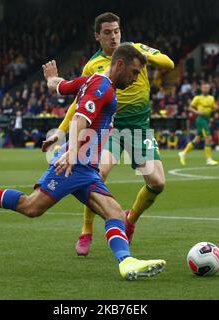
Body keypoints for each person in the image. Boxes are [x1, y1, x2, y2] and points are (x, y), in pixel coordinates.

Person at [0, 44, 166, 281]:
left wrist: (52, 79)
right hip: (74, 165)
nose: (136, 78)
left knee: (115, 214)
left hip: (86, 168)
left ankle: (126, 263)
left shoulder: (91, 80)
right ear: (119, 64)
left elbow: (61, 87)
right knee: (31, 207)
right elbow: (79, 118)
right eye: (135, 72)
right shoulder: (102, 87)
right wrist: (73, 151)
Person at [42, 12, 174, 256]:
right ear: (97, 36)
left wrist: (142, 57)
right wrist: (60, 133)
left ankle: (130, 220)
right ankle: (86, 230)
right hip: (108, 128)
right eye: (107, 32)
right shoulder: (93, 65)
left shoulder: (134, 50)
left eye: (116, 31)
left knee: (157, 182)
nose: (113, 36)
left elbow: (168, 63)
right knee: (96, 173)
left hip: (139, 128)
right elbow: (78, 104)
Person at [178, 82, 219, 166]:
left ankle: (183, 153)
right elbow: (190, 107)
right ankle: (209, 159)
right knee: (208, 138)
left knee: (197, 139)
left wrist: (215, 109)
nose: (206, 89)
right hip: (201, 120)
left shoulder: (211, 98)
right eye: (204, 87)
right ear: (201, 88)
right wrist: (197, 112)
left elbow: (214, 108)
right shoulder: (198, 98)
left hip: (206, 119)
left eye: (207, 88)